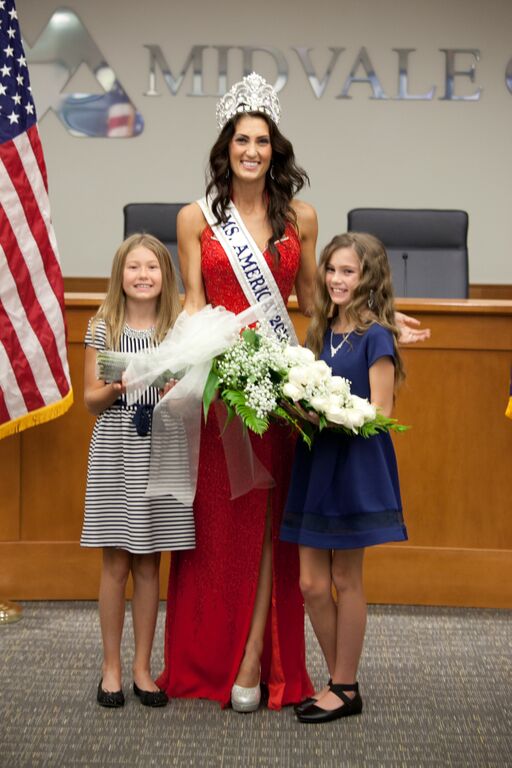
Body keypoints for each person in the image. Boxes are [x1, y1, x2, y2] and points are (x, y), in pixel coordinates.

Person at [156, 73, 318, 711]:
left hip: (276, 394)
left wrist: (370, 323)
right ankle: (206, 660)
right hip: (224, 392)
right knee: (218, 527)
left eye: (263, 141)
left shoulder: (299, 216)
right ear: (225, 148)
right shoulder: (195, 217)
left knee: (270, 526)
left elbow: (310, 303)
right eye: (241, 140)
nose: (252, 150)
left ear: (275, 149)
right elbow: (195, 303)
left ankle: (257, 657)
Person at [280, 232, 408, 723]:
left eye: (347, 271)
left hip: (355, 464)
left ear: (368, 277)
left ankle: (343, 684)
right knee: (311, 583)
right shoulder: (319, 329)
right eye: (331, 269)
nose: (335, 279)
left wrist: (329, 415)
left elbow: (381, 410)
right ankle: (341, 682)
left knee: (343, 577)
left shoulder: (376, 335)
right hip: (316, 463)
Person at [82, 233, 195, 708]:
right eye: (134, 267)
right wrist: (117, 386)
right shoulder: (102, 326)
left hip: (163, 445)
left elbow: (192, 399)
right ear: (120, 274)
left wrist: (175, 386)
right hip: (116, 444)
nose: (143, 275)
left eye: (153, 266)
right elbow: (90, 400)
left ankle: (142, 669)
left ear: (165, 275)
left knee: (150, 563)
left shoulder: (178, 328)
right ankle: (110, 668)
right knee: (116, 563)